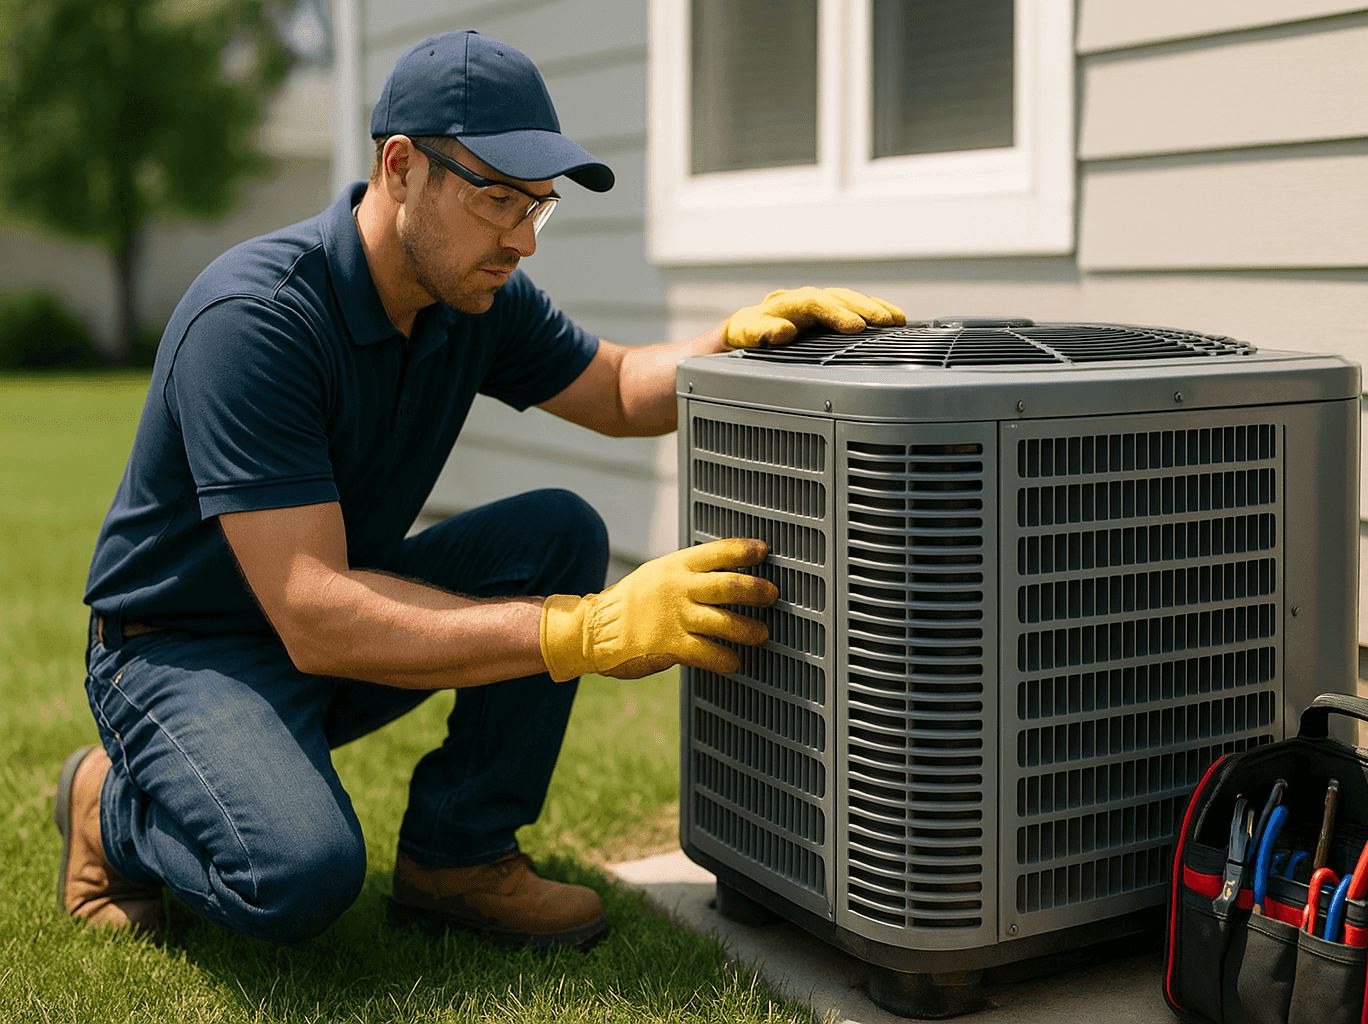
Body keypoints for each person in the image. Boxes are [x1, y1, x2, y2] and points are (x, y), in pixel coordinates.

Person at [57, 29, 905, 949]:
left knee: (556, 532)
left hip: (327, 627)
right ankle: (108, 806)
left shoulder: (472, 294)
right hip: (184, 651)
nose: (519, 240)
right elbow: (314, 611)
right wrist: (585, 631)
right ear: (399, 168)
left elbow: (618, 388)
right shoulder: (257, 320)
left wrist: (731, 348)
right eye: (496, 197)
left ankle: (457, 856)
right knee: (299, 877)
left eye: (536, 206)